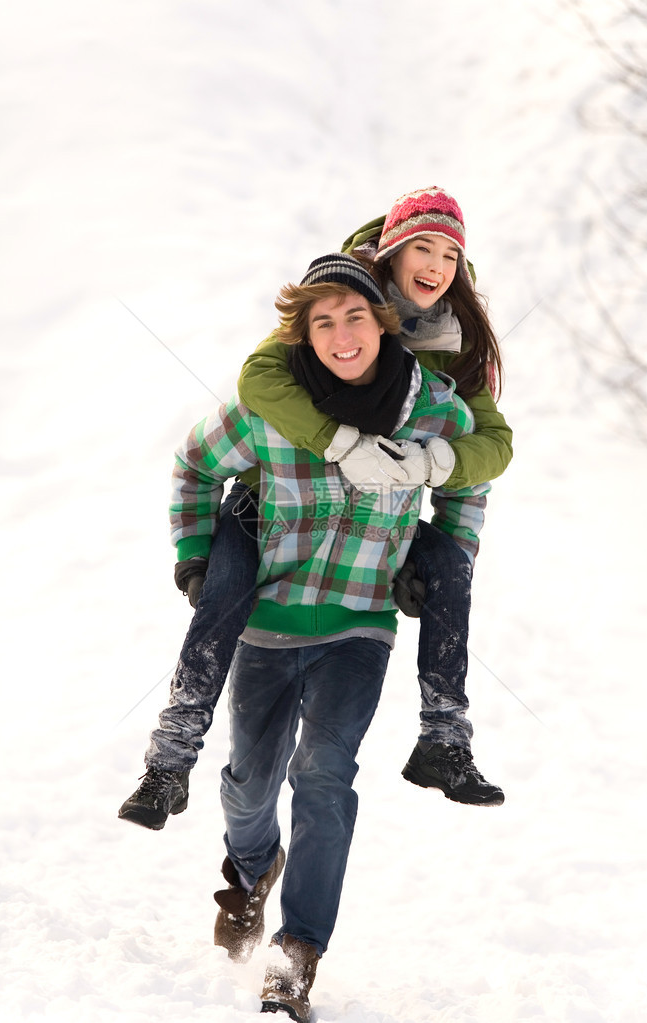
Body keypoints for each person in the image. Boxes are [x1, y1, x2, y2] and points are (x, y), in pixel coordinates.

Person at [118, 186, 511, 833]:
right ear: (391, 252)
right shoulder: (337, 301)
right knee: (226, 582)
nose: (438, 264)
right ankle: (170, 757)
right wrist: (338, 442)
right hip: (277, 496)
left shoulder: (452, 340)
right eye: (423, 246)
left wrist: (433, 466)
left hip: (379, 512)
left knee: (451, 560)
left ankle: (444, 735)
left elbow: (492, 445)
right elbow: (260, 380)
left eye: (451, 253)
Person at [165, 255, 489, 1021]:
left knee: (323, 774)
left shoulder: (434, 411)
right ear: (304, 336)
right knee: (249, 780)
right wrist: (196, 559)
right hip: (267, 623)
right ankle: (251, 870)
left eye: (354, 317)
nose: (341, 335)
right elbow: (193, 465)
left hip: (359, 626)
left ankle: (297, 950)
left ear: (382, 323)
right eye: (323, 322)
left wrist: (442, 564)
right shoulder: (272, 408)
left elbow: (469, 491)